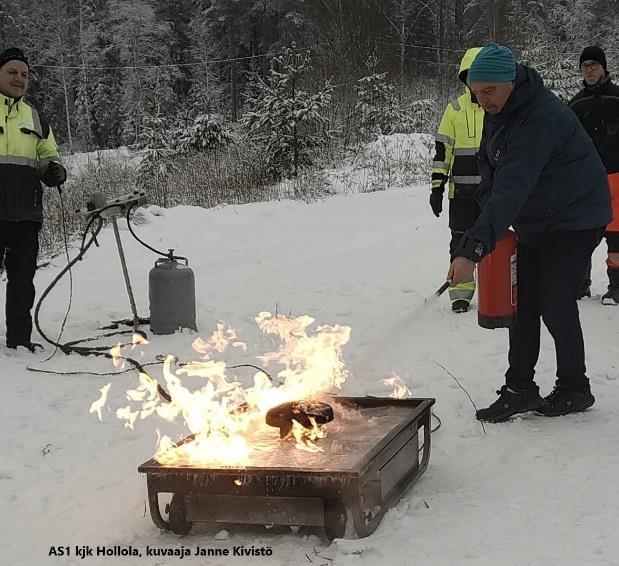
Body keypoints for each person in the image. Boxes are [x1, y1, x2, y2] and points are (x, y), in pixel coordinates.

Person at [447, 43, 612, 423]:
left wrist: (471, 251)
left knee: (553, 298)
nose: (481, 99)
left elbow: (512, 187)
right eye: (476, 91)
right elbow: (492, 170)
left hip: (578, 215)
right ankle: (520, 389)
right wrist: (478, 234)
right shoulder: (500, 108)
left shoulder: (540, 117)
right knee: (523, 300)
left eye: (489, 90)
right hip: (540, 216)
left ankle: (575, 388)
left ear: (510, 82)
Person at [0, 47, 66, 352]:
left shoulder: (35, 116)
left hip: (26, 213)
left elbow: (47, 156)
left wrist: (54, 171)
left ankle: (19, 341)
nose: (19, 79)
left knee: (22, 282)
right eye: (12, 72)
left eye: (24, 74)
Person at [430, 47, 484, 313]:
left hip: (493, 192)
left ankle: (503, 290)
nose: (475, 82)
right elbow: (442, 152)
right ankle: (461, 294)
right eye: (470, 76)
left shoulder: (498, 106)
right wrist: (436, 188)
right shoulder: (453, 110)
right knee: (461, 242)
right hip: (461, 193)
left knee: (498, 241)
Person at [568, 46, 619, 305]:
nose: (588, 69)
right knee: (581, 232)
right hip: (585, 180)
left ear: (604, 67)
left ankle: (617, 286)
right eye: (584, 65)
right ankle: (579, 284)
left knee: (617, 235)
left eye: (593, 65)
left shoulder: (617, 98)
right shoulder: (575, 105)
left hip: (616, 177)